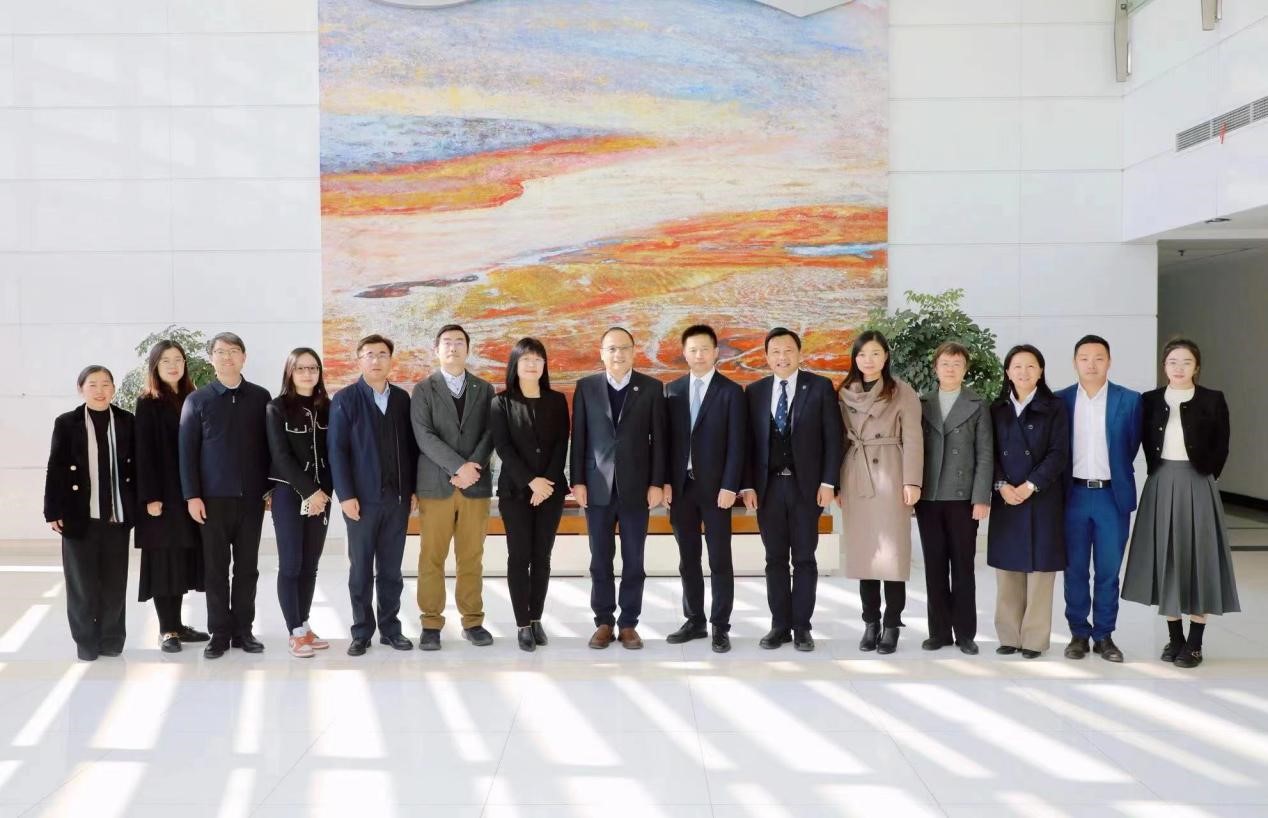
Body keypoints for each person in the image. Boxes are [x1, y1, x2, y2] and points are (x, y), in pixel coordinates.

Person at [1122, 338, 1239, 668]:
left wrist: (1205, 477)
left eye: (1186, 362)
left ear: (1196, 367)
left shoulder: (1213, 399)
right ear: (1164, 366)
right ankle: (1175, 639)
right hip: (1161, 483)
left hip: (1198, 483)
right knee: (1167, 557)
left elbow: (1222, 445)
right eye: (1173, 362)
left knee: (1200, 558)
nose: (1179, 368)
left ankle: (1195, 643)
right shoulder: (1149, 400)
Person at [741, 327, 843, 652]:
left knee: (804, 559)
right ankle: (779, 625)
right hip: (768, 489)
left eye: (788, 351)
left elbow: (834, 438)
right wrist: (747, 486)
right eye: (775, 352)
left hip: (806, 489)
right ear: (766, 356)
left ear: (799, 354)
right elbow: (746, 445)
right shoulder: (754, 391)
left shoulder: (820, 387)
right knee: (774, 559)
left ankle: (802, 627)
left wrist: (829, 483)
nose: (782, 357)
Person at [571, 326, 667, 649]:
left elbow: (659, 441)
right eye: (611, 348)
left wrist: (657, 483)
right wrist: (577, 481)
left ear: (634, 351)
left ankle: (628, 623)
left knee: (634, 560)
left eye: (624, 348)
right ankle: (603, 621)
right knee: (600, 559)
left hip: (637, 488)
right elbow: (579, 437)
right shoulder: (586, 387)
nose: (618, 354)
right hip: (596, 487)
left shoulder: (651, 388)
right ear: (602, 353)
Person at [179, 332, 271, 659]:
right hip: (212, 501)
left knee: (247, 568)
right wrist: (192, 496)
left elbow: (270, 448)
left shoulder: (260, 397)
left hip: (252, 500)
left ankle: (244, 630)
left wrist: (270, 489)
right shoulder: (197, 400)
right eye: (220, 352)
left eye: (233, 351)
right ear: (211, 359)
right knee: (215, 570)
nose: (227, 357)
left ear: (244, 357)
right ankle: (219, 633)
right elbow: (186, 453)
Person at [328, 334, 420, 656]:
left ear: (390, 360)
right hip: (361, 502)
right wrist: (345, 495)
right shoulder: (345, 399)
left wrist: (412, 490)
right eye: (369, 354)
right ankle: (361, 631)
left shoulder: (402, 399)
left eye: (382, 354)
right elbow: (337, 451)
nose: (376, 360)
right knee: (361, 570)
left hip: (397, 501)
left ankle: (391, 630)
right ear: (359, 360)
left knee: (391, 571)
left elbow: (411, 449)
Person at [1056, 335, 1142, 663]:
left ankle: (1104, 635)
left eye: (1098, 358)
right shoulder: (1061, 401)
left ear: (1109, 361)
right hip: (1072, 496)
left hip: (1111, 496)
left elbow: (1130, 445)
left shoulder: (1129, 400)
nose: (1091, 364)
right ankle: (1078, 632)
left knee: (1108, 570)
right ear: (1075, 362)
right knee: (1075, 568)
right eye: (1084, 358)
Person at [411, 324, 496, 650]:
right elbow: (424, 436)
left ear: (467, 349)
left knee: (471, 557)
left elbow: (491, 433)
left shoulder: (484, 389)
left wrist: (472, 468)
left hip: (475, 485)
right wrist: (458, 467)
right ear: (437, 349)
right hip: (437, 486)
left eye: (460, 342)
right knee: (432, 557)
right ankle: (431, 623)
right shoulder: (423, 389)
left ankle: (472, 621)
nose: (453, 347)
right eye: (447, 342)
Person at [837, 330, 923, 655]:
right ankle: (870, 622)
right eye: (862, 355)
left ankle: (892, 624)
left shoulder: (902, 391)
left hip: (891, 472)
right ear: (855, 359)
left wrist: (912, 481)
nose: (868, 360)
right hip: (856, 474)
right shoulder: (845, 392)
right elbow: (839, 439)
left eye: (875, 353)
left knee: (892, 554)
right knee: (865, 553)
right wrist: (837, 484)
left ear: (886, 357)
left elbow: (913, 438)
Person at [44, 365, 136, 661]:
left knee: (114, 583)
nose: (100, 390)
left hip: (116, 517)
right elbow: (56, 467)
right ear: (80, 389)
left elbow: (137, 467)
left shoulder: (127, 421)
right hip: (77, 516)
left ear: (114, 388)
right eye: (92, 384)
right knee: (82, 585)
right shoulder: (66, 422)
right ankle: (86, 642)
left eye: (106, 384)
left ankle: (111, 640)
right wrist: (52, 510)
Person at [664, 324, 745, 653]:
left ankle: (720, 626)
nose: (699, 355)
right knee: (688, 558)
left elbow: (738, 444)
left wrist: (730, 485)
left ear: (716, 353)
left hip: (717, 491)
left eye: (705, 349)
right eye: (693, 349)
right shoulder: (671, 391)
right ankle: (694, 619)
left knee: (720, 559)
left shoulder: (731, 392)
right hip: (681, 489)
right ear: (684, 353)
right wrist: (665, 482)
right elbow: (664, 443)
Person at [987, 344, 1069, 659]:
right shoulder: (996, 408)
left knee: (1040, 573)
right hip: (1006, 496)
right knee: (1008, 571)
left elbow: (1059, 452)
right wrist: (1001, 485)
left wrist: (1031, 484)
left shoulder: (1055, 407)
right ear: (1007, 372)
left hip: (1042, 497)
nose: (1024, 372)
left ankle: (1034, 639)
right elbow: (989, 452)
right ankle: (1008, 635)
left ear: (1041, 371)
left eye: (1031, 366)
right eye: (1017, 366)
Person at [489, 338, 570, 652]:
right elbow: (503, 447)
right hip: (515, 492)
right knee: (519, 556)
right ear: (515, 364)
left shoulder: (556, 400)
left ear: (544, 364)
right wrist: (531, 482)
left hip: (551, 491)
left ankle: (536, 618)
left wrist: (546, 483)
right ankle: (522, 623)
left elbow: (561, 443)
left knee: (542, 557)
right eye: (526, 359)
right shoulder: (501, 403)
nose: (532, 364)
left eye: (538, 359)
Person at [914, 341, 993, 655]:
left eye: (957, 364)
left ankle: (965, 634)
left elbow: (985, 454)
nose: (950, 369)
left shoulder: (977, 404)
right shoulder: (922, 403)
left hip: (963, 498)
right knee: (934, 566)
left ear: (965, 369)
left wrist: (981, 497)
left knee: (963, 567)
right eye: (945, 363)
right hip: (929, 496)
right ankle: (938, 633)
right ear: (935, 367)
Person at [134, 341, 208, 653]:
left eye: (178, 359)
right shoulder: (148, 402)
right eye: (166, 360)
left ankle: (178, 625)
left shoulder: (193, 397)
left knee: (181, 561)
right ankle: (167, 630)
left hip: (188, 494)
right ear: (155, 365)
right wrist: (150, 497)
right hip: (161, 498)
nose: (173, 365)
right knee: (164, 562)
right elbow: (143, 452)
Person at [266, 348, 333, 659]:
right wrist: (310, 491)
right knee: (291, 564)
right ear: (290, 372)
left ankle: (304, 625)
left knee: (310, 564)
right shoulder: (276, 408)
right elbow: (281, 456)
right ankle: (294, 631)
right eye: (301, 368)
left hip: (322, 497)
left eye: (313, 368)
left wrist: (324, 493)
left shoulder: (329, 408)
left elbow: (334, 454)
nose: (308, 374)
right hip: (289, 494)